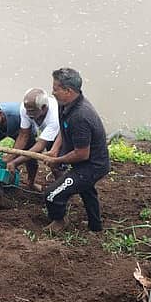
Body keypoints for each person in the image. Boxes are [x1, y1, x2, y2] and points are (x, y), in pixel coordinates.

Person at [43, 68, 110, 232]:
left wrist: (57, 160)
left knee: (51, 195)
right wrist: (55, 150)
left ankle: (59, 221)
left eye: (56, 89)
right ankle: (95, 227)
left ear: (68, 91)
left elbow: (82, 153)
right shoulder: (65, 105)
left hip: (92, 165)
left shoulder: (80, 116)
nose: (53, 93)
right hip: (84, 161)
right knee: (87, 191)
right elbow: (63, 129)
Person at [4, 88, 60, 191]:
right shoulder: (25, 108)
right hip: (46, 132)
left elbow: (40, 145)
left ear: (43, 108)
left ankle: (60, 189)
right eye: (27, 110)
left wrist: (15, 162)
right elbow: (23, 135)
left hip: (63, 134)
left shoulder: (54, 115)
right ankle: (33, 184)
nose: (28, 114)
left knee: (55, 163)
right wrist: (10, 157)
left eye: (32, 111)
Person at [0, 98, 40, 187]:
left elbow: (24, 136)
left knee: (29, 156)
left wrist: (10, 158)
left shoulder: (17, 114)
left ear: (0, 114)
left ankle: (31, 183)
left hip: (21, 130)